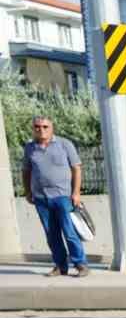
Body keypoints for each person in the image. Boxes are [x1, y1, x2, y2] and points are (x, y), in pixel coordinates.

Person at [20, 115, 88, 278]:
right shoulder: (30, 148)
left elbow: (76, 168)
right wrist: (28, 191)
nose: (41, 130)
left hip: (63, 197)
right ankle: (60, 266)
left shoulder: (64, 144)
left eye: (45, 127)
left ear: (52, 128)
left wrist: (76, 192)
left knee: (70, 232)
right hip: (41, 199)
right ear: (33, 128)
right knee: (52, 235)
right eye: (37, 127)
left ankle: (80, 264)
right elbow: (25, 171)